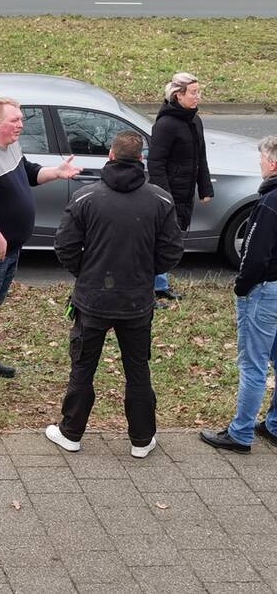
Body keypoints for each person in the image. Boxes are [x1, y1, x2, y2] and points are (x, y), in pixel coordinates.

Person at [46, 131, 183, 458]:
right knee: (138, 369)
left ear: (110, 156)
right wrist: (145, 272)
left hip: (92, 301)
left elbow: (64, 246)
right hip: (137, 303)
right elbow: (172, 251)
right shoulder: (160, 201)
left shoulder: (85, 198)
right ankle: (141, 439)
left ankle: (71, 433)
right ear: (141, 160)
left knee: (83, 367)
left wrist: (87, 272)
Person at [0, 97, 82, 396]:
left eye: (22, 119)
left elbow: (26, 171)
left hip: (9, 248)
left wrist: (56, 172)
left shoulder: (10, 145)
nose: (22, 125)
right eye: (15, 120)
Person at [201, 136, 277, 454]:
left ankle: (241, 432)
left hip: (264, 292)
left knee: (253, 364)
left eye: (261, 159)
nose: (259, 164)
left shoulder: (270, 202)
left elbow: (254, 252)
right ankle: (274, 425)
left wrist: (242, 286)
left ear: (273, 164)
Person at [148, 72, 213, 305]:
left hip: (185, 193)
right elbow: (155, 163)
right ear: (178, 95)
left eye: (198, 91)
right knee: (160, 242)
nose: (198, 97)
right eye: (194, 92)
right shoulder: (165, 125)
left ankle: (160, 285)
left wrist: (205, 188)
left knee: (171, 239)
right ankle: (150, 289)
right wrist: (165, 197)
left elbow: (200, 157)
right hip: (169, 195)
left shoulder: (195, 121)